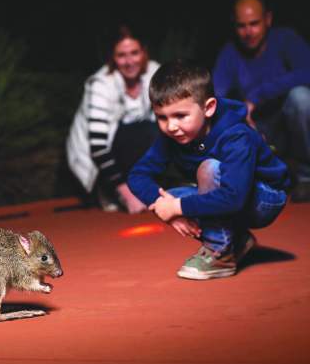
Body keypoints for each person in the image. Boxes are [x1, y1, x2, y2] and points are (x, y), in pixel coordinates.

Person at [128, 59, 289, 280]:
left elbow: (234, 197)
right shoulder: (173, 135)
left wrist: (178, 207)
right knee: (167, 197)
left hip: (264, 199)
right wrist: (166, 209)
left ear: (209, 107)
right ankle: (239, 241)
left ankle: (219, 253)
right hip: (232, 196)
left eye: (180, 116)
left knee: (208, 169)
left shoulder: (236, 135)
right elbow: (138, 175)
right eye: (162, 117)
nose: (171, 126)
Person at [213, 0, 310, 202]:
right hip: (256, 128)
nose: (248, 32)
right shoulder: (230, 51)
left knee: (301, 99)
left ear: (268, 19)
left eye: (254, 24)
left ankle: (305, 177)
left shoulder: (286, 39)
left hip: (289, 125)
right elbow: (216, 95)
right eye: (242, 26)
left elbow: (307, 72)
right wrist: (238, 117)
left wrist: (258, 95)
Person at [66, 25, 160, 213]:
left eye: (134, 53)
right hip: (95, 162)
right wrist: (126, 193)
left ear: (144, 53)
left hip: (130, 148)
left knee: (158, 129)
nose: (129, 61)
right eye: (121, 55)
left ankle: (148, 186)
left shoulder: (154, 72)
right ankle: (109, 190)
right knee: (144, 131)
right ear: (112, 58)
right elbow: (98, 146)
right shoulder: (101, 84)